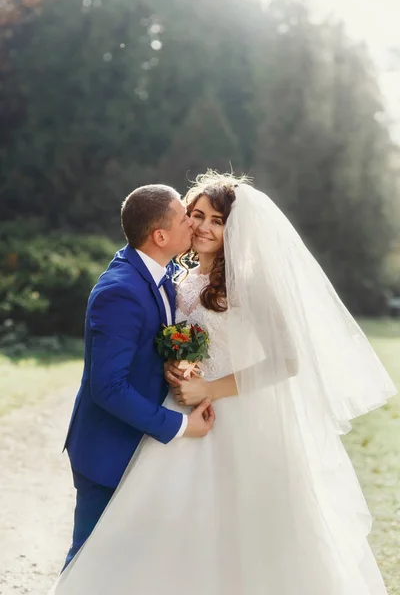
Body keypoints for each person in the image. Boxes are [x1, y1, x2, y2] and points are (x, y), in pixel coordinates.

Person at [51, 172, 396, 594]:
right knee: (171, 532)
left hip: (238, 416)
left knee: (248, 534)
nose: (202, 227)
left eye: (217, 220)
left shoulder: (249, 283)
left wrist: (210, 389)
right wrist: (178, 368)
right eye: (195, 216)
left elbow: (288, 360)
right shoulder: (178, 279)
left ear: (235, 230)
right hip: (184, 415)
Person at [60, 184, 215, 571]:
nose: (193, 223)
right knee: (88, 563)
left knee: (130, 565)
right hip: (108, 451)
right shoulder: (121, 290)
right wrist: (180, 426)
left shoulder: (161, 273)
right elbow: (108, 386)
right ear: (160, 236)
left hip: (139, 447)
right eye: (186, 217)